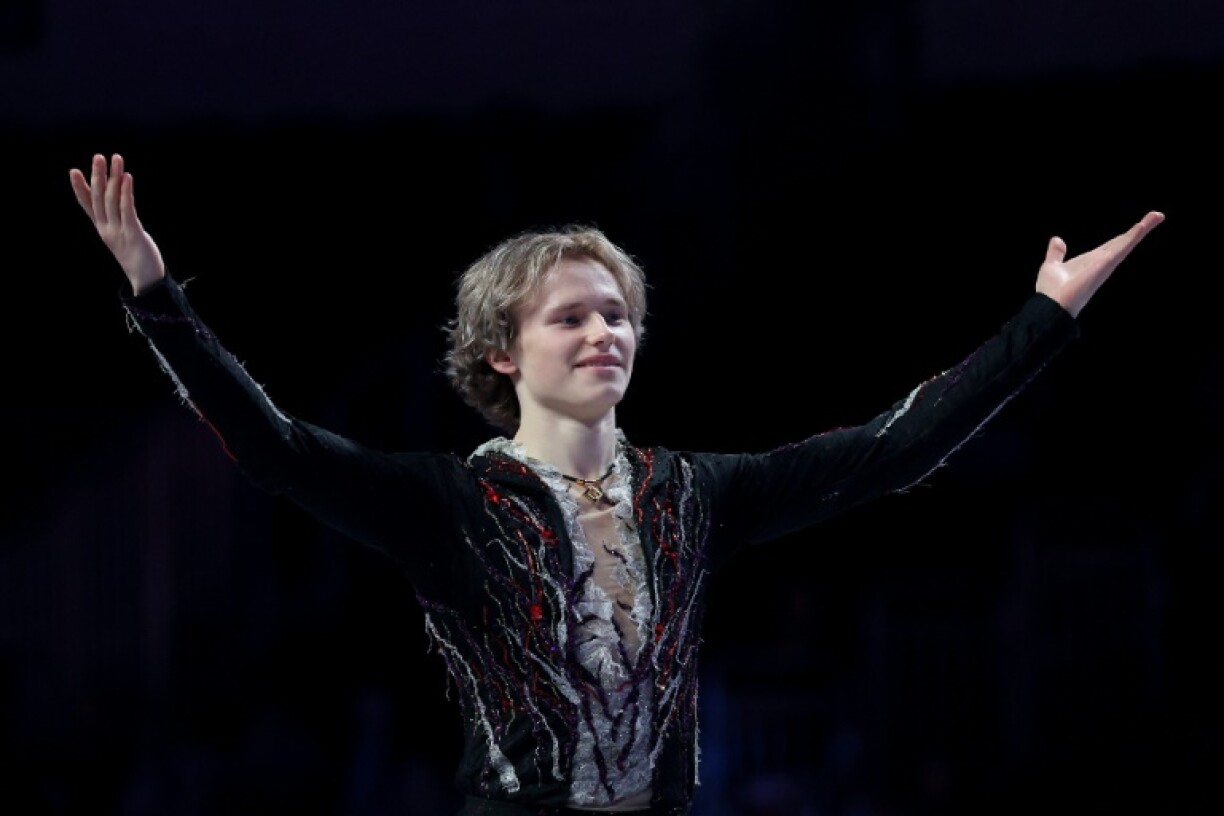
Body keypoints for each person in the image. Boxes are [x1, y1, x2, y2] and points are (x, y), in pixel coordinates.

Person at [69, 152, 1163, 816]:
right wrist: (160, 299)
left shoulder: (694, 492)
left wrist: (1044, 319)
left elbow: (895, 451)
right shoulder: (451, 505)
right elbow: (276, 449)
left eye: (618, 312)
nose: (605, 331)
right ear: (502, 350)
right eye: (571, 315)